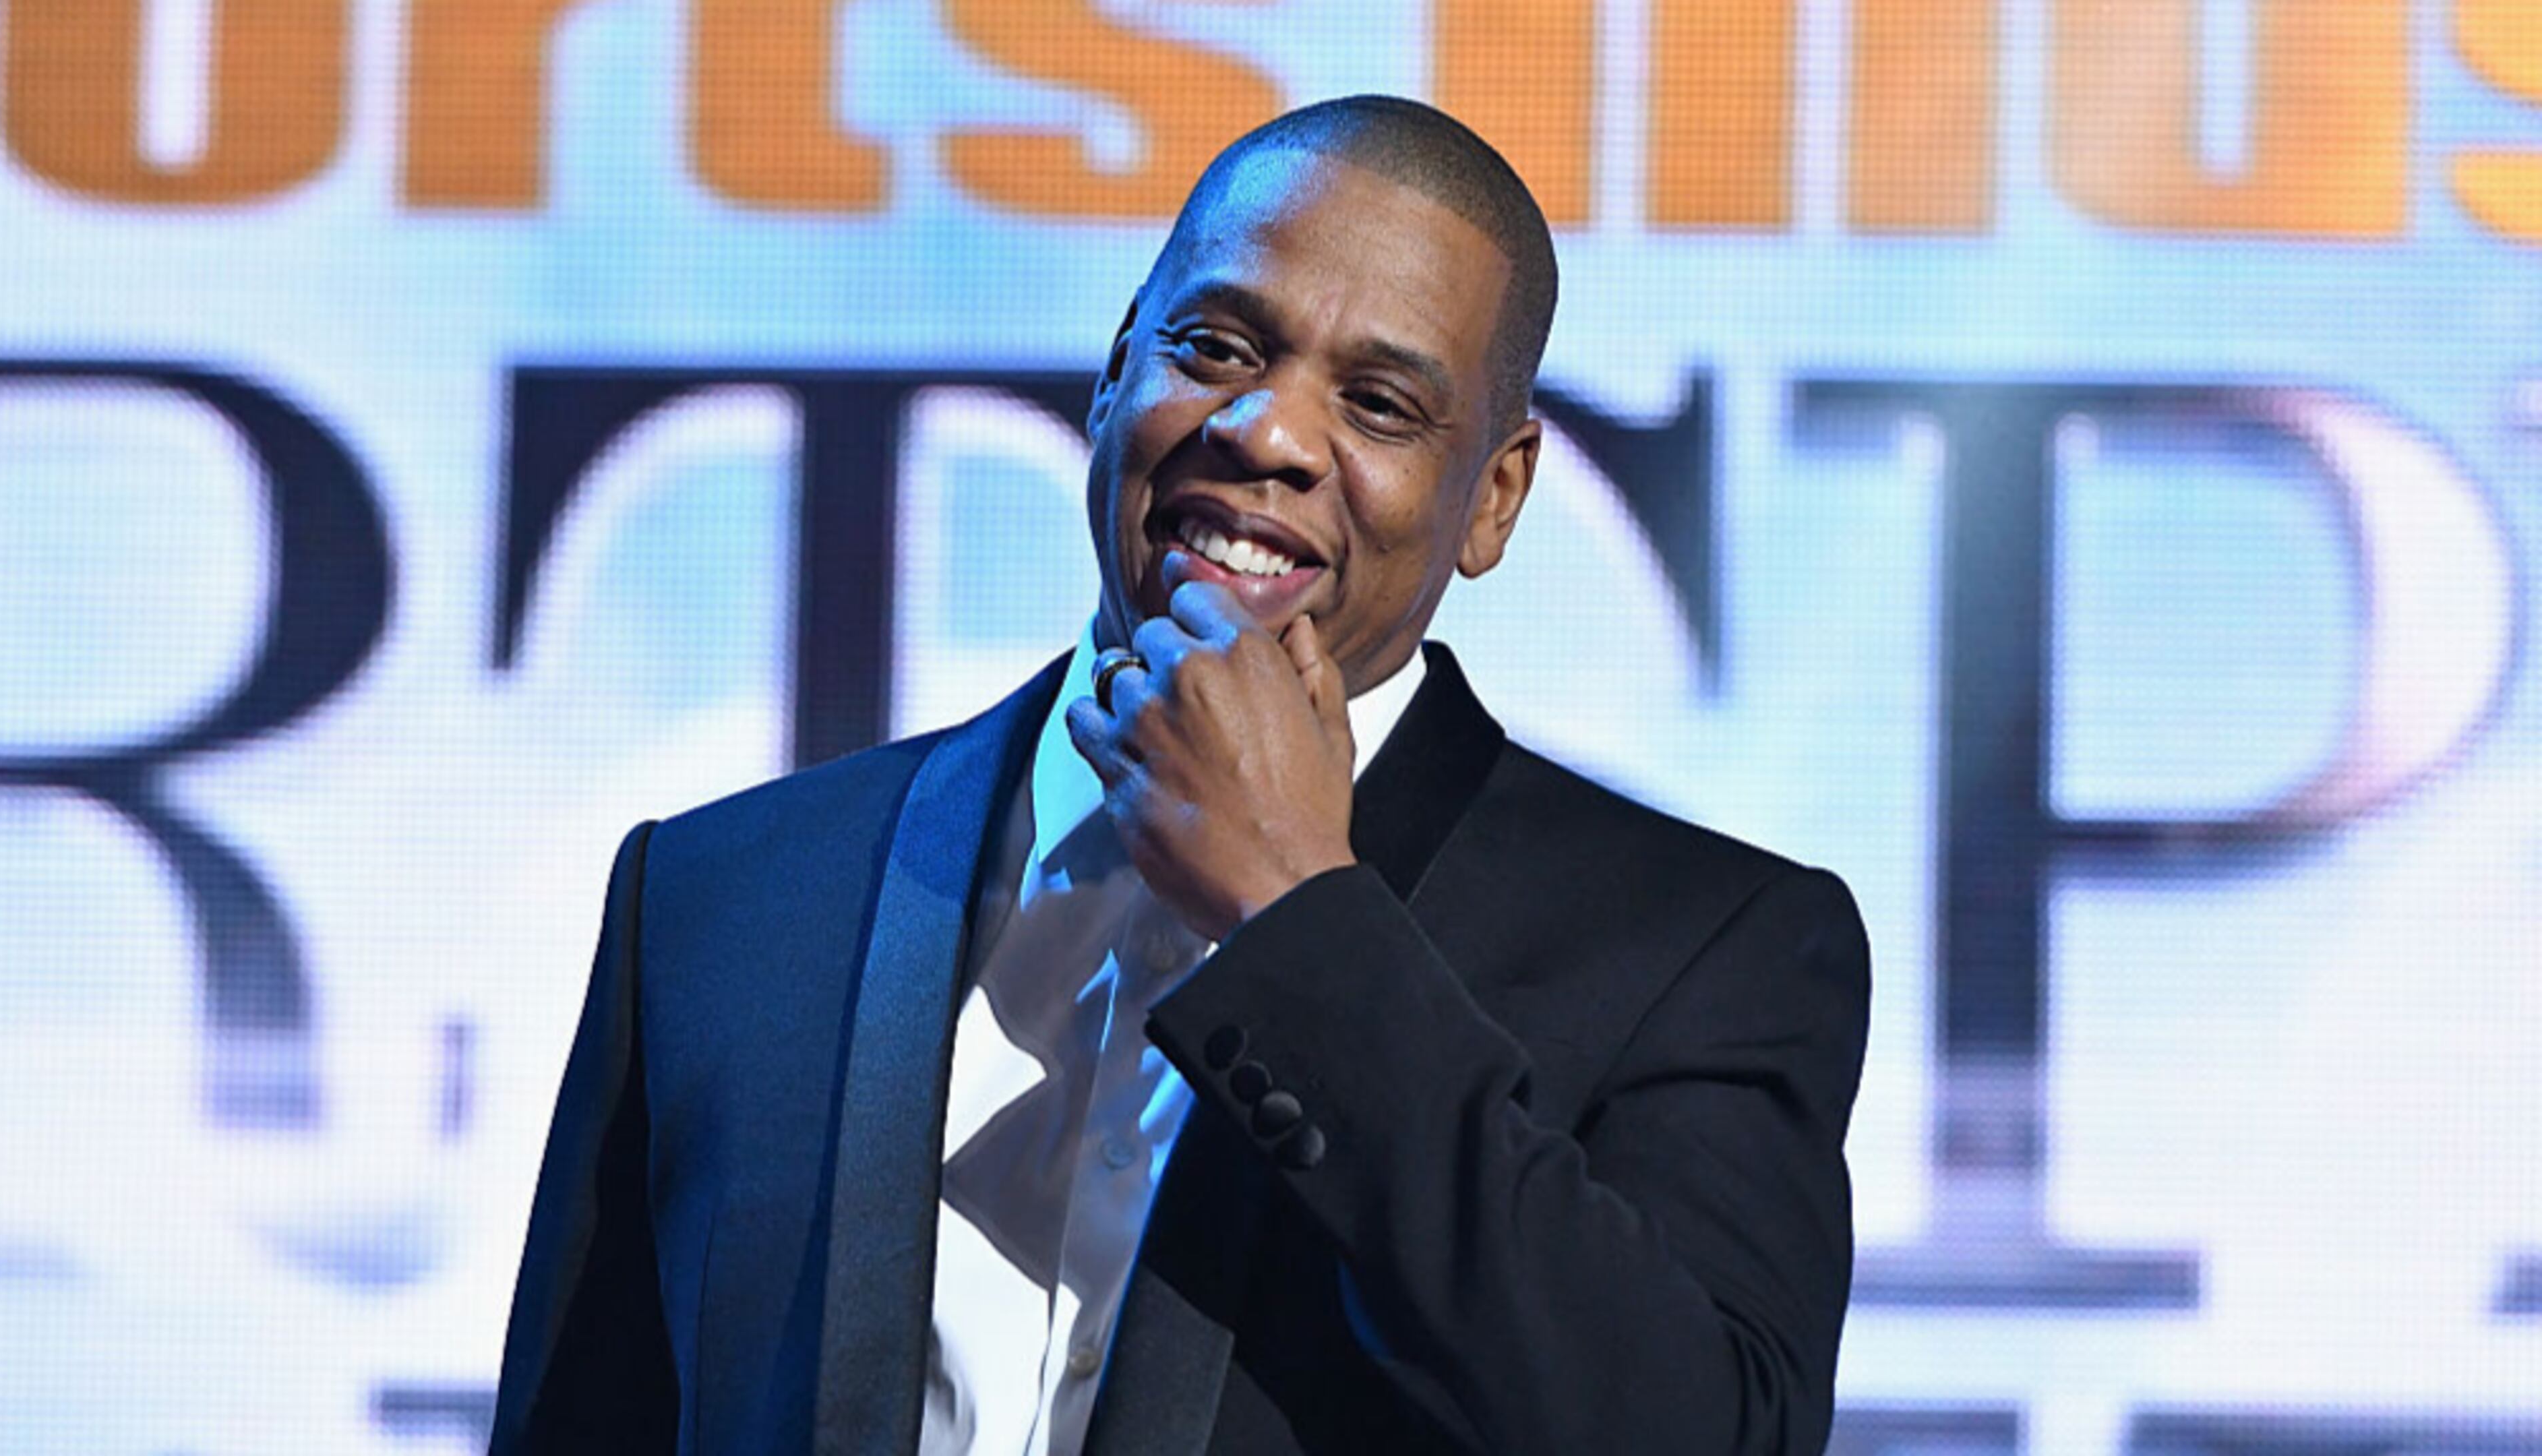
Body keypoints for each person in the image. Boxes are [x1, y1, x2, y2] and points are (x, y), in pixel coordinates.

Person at [489, 94, 1870, 1455]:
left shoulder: (1704, 952)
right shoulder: (726, 896)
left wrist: (1301, 915)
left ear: (1493, 498)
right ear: (1114, 372)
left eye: (1380, 405)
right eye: (1215, 347)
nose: (1267, 434)